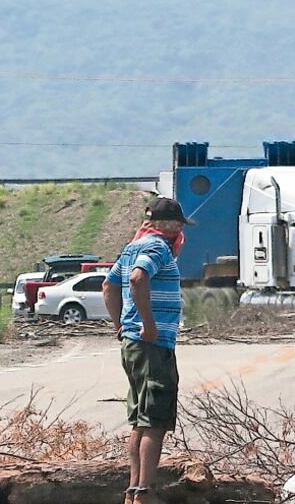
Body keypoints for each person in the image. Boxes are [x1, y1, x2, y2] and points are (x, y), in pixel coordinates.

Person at [103, 197, 191, 504]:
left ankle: (133, 491)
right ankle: (144, 493)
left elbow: (109, 285)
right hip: (152, 345)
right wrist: (148, 325)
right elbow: (138, 279)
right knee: (154, 419)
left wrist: (120, 325)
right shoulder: (157, 248)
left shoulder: (132, 248)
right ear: (173, 226)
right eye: (180, 225)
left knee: (140, 420)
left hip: (134, 344)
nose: (182, 232)